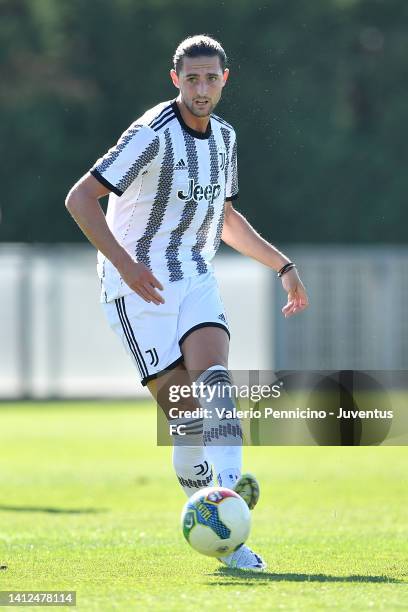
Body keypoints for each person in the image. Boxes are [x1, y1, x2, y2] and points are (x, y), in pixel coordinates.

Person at [65, 34, 308, 571]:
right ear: (176, 79)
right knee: (187, 422)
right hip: (135, 288)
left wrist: (282, 266)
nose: (202, 88)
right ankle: (222, 524)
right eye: (192, 78)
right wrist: (127, 265)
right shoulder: (150, 134)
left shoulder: (224, 137)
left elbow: (224, 220)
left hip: (193, 274)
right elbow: (80, 197)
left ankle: (229, 500)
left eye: (211, 78)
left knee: (215, 376)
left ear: (226, 79)